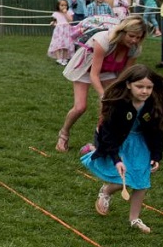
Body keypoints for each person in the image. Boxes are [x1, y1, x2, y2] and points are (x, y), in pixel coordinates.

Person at [81, 65, 163, 234]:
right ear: (129, 84)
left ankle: (134, 218)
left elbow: (158, 132)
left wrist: (156, 156)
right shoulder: (118, 104)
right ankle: (106, 190)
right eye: (140, 86)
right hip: (117, 142)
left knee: (142, 181)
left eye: (149, 87)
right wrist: (116, 159)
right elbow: (108, 134)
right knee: (125, 176)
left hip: (141, 145)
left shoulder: (153, 104)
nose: (145, 91)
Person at [57, 15, 145, 152]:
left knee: (112, 106)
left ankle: (100, 144)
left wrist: (123, 95)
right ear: (123, 32)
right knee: (80, 107)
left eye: (138, 37)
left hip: (108, 71)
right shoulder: (104, 40)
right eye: (131, 36)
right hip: (86, 68)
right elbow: (94, 74)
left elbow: (125, 76)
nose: (134, 40)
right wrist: (103, 95)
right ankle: (64, 134)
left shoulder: (135, 49)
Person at [48, 0, 75, 66]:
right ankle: (59, 59)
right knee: (58, 45)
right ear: (58, 6)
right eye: (62, 5)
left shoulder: (69, 12)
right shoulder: (56, 14)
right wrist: (52, 23)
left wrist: (65, 13)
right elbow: (55, 22)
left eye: (65, 5)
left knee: (66, 45)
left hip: (66, 31)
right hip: (58, 31)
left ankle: (65, 59)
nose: (64, 7)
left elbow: (70, 20)